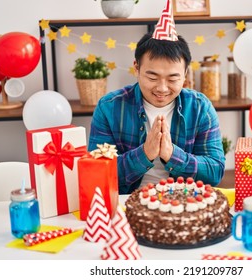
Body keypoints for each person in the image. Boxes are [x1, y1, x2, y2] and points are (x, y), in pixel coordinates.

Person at [88, 31, 225, 194]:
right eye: (152, 78)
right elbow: (97, 172)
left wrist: (173, 155)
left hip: (184, 203)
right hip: (126, 203)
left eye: (173, 79)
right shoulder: (109, 107)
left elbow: (215, 171)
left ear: (185, 74)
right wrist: (144, 154)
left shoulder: (200, 108)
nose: (162, 88)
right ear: (136, 68)